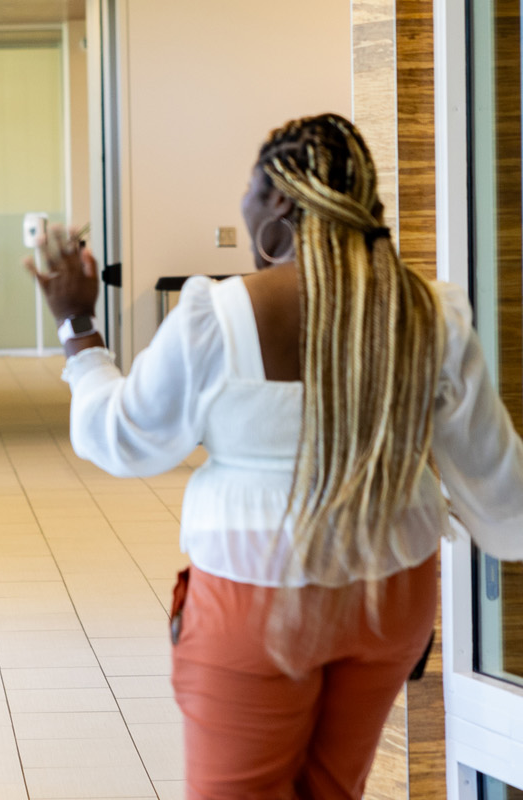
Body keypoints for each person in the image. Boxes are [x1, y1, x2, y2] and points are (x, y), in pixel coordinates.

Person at [28, 113, 523, 798]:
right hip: (393, 596)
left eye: (249, 190)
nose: (243, 203)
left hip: (254, 596)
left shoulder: (217, 314)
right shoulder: (431, 315)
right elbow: (506, 507)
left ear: (280, 205)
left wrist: (76, 324)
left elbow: (122, 438)